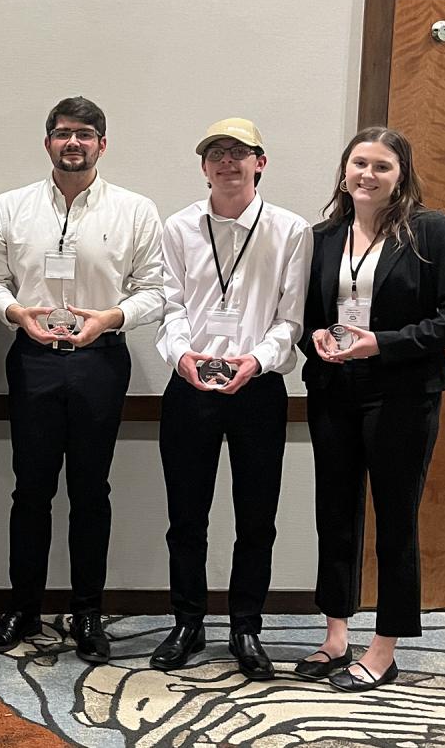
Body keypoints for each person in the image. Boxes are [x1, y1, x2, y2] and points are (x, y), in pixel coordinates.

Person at [0, 97, 164, 663]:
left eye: (84, 134)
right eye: (62, 134)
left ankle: (87, 611)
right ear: (48, 143)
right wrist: (16, 314)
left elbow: (156, 290)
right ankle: (23, 607)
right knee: (29, 490)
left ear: (102, 144)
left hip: (100, 360)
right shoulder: (13, 207)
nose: (73, 143)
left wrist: (110, 318)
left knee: (90, 491)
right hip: (31, 357)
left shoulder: (135, 211)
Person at [296, 127, 445, 691]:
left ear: (402, 175)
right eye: (359, 164)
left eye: (382, 166)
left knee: (395, 521)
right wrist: (318, 341)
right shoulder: (325, 236)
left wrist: (380, 342)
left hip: (401, 392)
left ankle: (385, 647)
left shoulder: (430, 230)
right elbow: (307, 315)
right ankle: (335, 636)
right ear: (343, 172)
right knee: (335, 513)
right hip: (334, 389)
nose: (367, 176)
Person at [152, 118, 312, 680]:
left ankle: (246, 625)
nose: (227, 162)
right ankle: (187, 621)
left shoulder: (290, 230)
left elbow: (290, 319)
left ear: (259, 163)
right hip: (190, 384)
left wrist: (256, 361)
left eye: (239, 153)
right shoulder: (177, 227)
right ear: (203, 166)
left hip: (258, 388)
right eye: (216, 154)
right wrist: (182, 356)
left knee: (256, 517)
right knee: (185, 516)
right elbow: (171, 306)